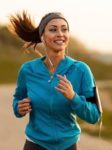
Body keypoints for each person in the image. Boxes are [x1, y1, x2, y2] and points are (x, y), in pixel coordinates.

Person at [10, 10, 101, 150]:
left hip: (68, 145)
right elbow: (17, 100)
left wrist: (73, 97)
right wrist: (19, 108)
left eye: (64, 30)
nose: (60, 34)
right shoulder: (28, 70)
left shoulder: (81, 70)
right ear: (42, 37)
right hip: (35, 144)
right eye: (53, 30)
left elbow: (95, 115)